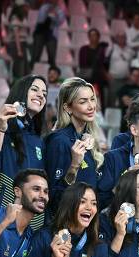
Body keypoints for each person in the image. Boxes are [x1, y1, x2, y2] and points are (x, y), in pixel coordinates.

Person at [0, 75, 48, 215]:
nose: (40, 95)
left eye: (44, 93)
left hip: (28, 223)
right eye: (34, 89)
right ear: (21, 92)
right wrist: (0, 130)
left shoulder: (38, 140)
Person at [44, 78, 104, 211]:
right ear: (67, 107)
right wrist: (74, 166)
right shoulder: (58, 141)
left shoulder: (87, 139)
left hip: (85, 223)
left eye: (92, 99)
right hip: (63, 225)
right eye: (83, 101)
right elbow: (53, 197)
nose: (91, 106)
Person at [32, 0, 65, 69]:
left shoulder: (59, 11)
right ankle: (31, 73)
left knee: (52, 57)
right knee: (35, 55)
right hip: (40, 33)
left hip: (52, 34)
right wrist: (48, 13)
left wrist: (54, 17)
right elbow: (40, 20)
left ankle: (52, 74)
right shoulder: (44, 7)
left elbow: (60, 22)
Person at [5, 1, 31, 81]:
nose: (27, 8)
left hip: (23, 44)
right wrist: (19, 50)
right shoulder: (15, 19)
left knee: (25, 69)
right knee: (19, 68)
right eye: (25, 7)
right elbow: (16, 36)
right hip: (17, 45)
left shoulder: (23, 18)